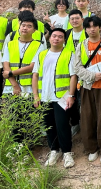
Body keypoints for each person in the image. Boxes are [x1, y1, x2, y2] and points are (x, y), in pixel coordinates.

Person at [74, 16, 101, 164]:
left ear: (100, 27)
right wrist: (92, 76)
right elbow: (77, 67)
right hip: (87, 86)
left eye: (94, 26)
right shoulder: (81, 45)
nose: (92, 29)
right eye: (88, 27)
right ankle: (92, 148)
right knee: (87, 117)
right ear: (85, 29)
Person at [31, 28, 77, 169]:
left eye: (60, 37)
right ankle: (54, 151)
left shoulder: (69, 54)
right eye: (54, 36)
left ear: (64, 40)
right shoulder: (41, 54)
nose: (56, 39)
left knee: (62, 124)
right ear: (49, 38)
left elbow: (73, 76)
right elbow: (35, 75)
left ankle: (67, 152)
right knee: (49, 125)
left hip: (62, 97)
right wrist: (36, 96)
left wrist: (71, 95)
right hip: (45, 96)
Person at [2, 14, 46, 97]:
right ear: (19, 27)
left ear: (34, 30)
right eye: (23, 25)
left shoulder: (39, 46)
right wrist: (15, 85)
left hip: (29, 88)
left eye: (29, 26)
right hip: (10, 88)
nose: (25, 28)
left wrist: (10, 73)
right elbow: (6, 65)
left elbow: (33, 67)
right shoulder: (10, 44)